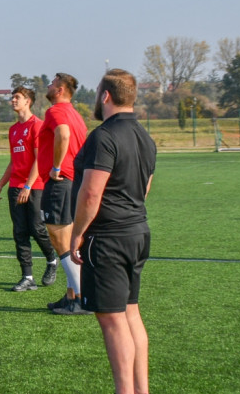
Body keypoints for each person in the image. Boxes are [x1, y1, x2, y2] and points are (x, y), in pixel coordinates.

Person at [70, 69, 155, 393]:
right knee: (130, 312)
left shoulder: (103, 136)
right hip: (137, 233)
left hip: (108, 239)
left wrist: (78, 232)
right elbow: (145, 187)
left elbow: (91, 193)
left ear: (105, 96)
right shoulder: (145, 136)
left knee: (111, 319)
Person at [0, 87, 58, 291]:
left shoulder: (37, 126)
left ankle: (51, 260)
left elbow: (40, 159)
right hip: (15, 186)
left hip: (35, 187)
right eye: (12, 97)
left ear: (28, 101)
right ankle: (27, 277)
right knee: (20, 232)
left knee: (37, 229)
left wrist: (28, 186)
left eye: (17, 98)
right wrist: (1, 184)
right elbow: (14, 161)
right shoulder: (13, 130)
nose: (13, 100)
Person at [38, 72, 90, 314]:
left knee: (59, 240)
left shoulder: (56, 110)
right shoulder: (76, 114)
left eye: (51, 84)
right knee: (68, 241)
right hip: (74, 182)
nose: (48, 86)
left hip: (60, 181)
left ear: (59, 90)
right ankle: (72, 295)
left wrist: (56, 166)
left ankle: (81, 297)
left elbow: (63, 134)